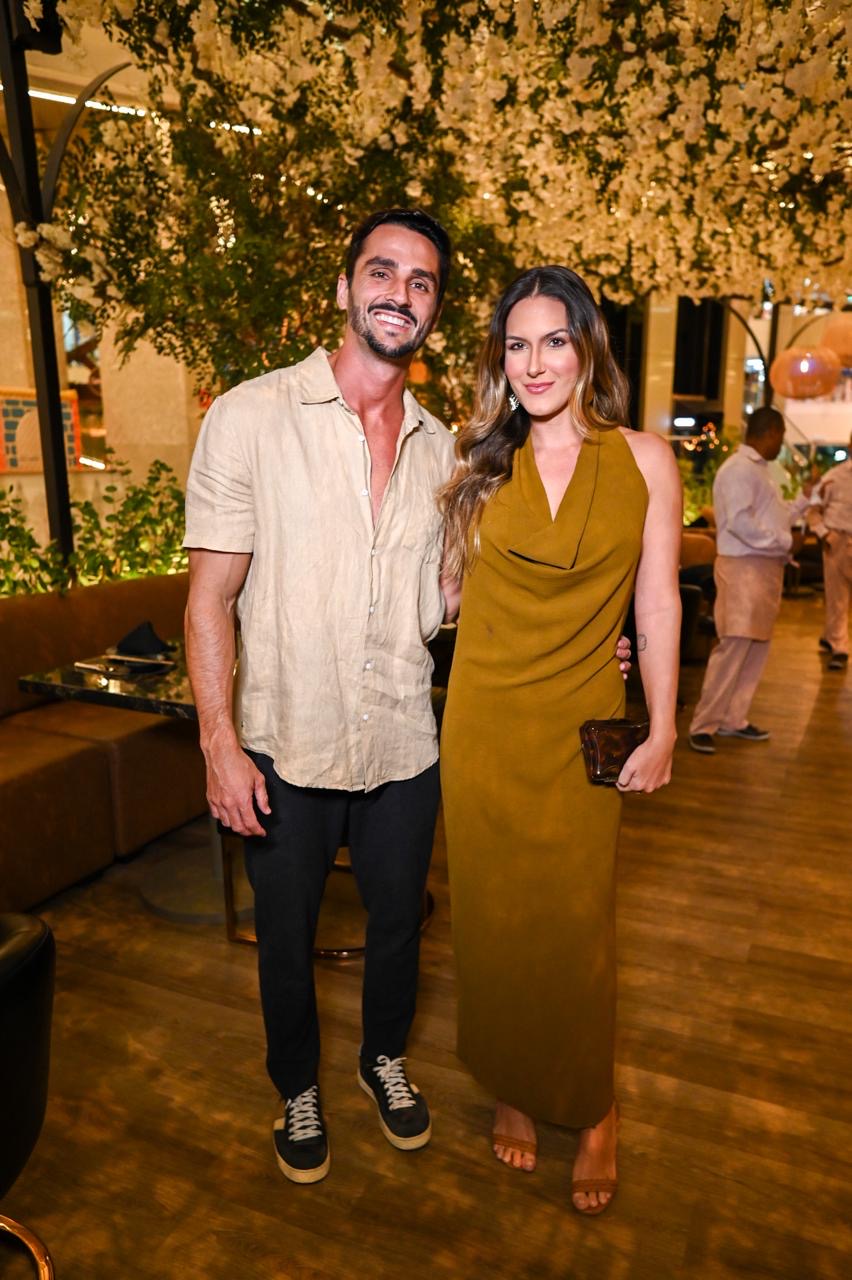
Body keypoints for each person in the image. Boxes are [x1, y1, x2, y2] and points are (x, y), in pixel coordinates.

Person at [183, 208, 457, 1183]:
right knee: (285, 936)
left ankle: (384, 1058)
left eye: (421, 282)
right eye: (382, 272)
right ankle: (295, 1083)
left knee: (399, 925)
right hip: (285, 743)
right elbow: (209, 598)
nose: (399, 293)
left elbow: (447, 601)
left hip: (402, 743)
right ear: (344, 288)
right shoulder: (251, 417)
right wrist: (219, 744)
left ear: (434, 309)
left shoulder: (442, 448)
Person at [438, 266, 682, 1216]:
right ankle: (512, 1083)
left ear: (586, 349)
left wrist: (664, 724)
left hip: (581, 731)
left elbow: (656, 603)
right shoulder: (478, 466)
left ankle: (593, 1108)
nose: (534, 363)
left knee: (578, 928)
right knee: (495, 925)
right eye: (516, 344)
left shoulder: (644, 460)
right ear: (499, 359)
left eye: (553, 341)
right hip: (485, 727)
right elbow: (449, 601)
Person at [688, 407, 811, 753]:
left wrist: (802, 502)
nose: (782, 444)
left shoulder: (760, 471)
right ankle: (703, 724)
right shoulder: (739, 469)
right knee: (734, 646)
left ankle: (733, 718)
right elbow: (740, 524)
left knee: (756, 648)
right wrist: (785, 542)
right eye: (781, 436)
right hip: (743, 569)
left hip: (763, 569)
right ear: (770, 432)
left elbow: (773, 518)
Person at [809, 444, 852, 671]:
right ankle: (839, 647)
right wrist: (824, 534)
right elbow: (813, 509)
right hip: (838, 540)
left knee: (838, 596)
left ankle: (831, 637)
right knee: (837, 595)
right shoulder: (834, 476)